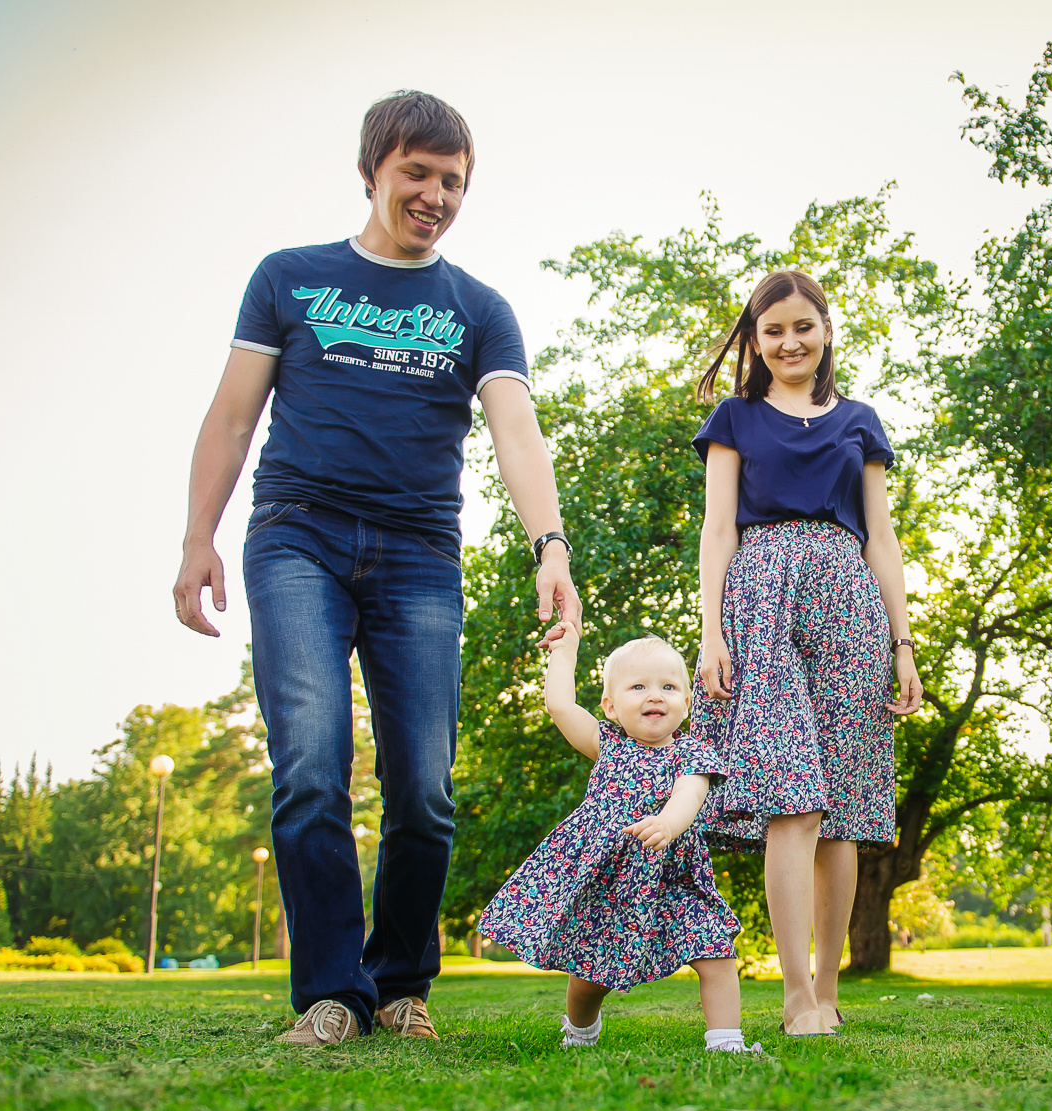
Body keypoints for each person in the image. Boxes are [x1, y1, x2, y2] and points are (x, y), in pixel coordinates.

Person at [172, 91, 580, 1046]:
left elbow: (517, 432)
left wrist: (550, 544)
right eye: (417, 173)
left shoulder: (478, 309)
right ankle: (331, 995)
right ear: (371, 172)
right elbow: (231, 416)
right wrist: (198, 538)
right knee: (311, 765)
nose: (435, 195)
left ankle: (400, 986)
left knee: (424, 790)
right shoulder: (290, 278)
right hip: (298, 538)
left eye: (453, 181)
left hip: (420, 556)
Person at [690, 270, 923, 1037]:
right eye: (774, 330)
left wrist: (903, 642)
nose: (790, 342)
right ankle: (794, 995)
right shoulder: (735, 417)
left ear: (825, 329)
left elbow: (881, 537)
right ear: (755, 340)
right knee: (792, 797)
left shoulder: (860, 421)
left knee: (843, 811)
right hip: (762, 599)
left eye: (803, 327)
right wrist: (711, 630)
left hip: (850, 603)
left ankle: (826, 992)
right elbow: (717, 528)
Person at [480, 623, 755, 1053]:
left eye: (668, 687)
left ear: (686, 702)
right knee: (589, 976)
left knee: (715, 949)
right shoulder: (605, 744)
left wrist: (668, 823)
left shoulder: (692, 752)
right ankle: (580, 1030)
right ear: (610, 706)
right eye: (638, 687)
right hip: (608, 883)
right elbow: (559, 705)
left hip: (673, 880)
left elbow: (690, 794)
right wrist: (565, 650)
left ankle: (726, 1042)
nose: (654, 695)